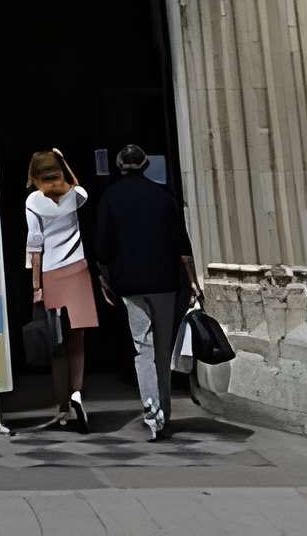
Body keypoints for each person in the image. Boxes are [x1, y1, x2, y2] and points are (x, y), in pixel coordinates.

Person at [91, 142, 201, 441]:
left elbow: (102, 245)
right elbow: (182, 243)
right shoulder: (163, 196)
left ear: (119, 166)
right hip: (164, 281)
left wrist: (105, 277)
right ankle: (164, 409)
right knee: (163, 349)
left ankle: (152, 408)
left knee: (143, 346)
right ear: (145, 165)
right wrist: (192, 281)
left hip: (130, 283)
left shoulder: (111, 197)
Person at [24, 147, 97, 429]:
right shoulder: (75, 196)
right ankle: (77, 392)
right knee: (78, 341)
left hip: (51, 274)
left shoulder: (33, 201)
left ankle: (63, 407)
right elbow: (77, 185)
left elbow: (35, 246)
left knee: (58, 345)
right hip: (79, 271)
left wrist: (36, 287)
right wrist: (64, 160)